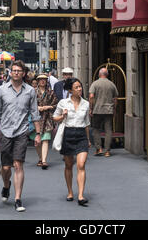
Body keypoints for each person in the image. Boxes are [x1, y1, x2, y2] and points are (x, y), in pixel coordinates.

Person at [0, 60, 41, 212]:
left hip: (21, 132)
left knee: (18, 165)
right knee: (6, 168)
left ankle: (18, 199)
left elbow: (35, 113)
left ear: (24, 73)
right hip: (5, 131)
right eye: (14, 70)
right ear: (10, 72)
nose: (16, 73)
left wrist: (38, 134)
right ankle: (6, 186)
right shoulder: (2, 90)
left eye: (19, 71)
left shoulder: (30, 91)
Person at [53, 78, 91, 206]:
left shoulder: (86, 103)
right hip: (68, 134)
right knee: (69, 165)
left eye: (80, 87)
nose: (79, 89)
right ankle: (70, 192)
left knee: (81, 164)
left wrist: (88, 139)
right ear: (70, 90)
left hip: (81, 135)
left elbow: (86, 123)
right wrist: (63, 116)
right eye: (76, 87)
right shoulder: (63, 103)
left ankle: (80, 195)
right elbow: (55, 118)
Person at [30, 73, 58, 169]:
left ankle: (44, 161)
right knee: (37, 141)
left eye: (44, 79)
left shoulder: (51, 92)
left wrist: (48, 107)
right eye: (41, 79)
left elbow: (55, 104)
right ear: (37, 81)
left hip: (47, 118)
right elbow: (28, 104)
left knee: (45, 139)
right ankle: (41, 158)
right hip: (36, 119)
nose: (42, 81)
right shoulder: (33, 92)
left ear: (47, 81)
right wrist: (37, 108)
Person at [89, 68, 118, 157]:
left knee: (96, 129)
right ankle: (107, 151)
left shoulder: (95, 83)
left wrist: (91, 108)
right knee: (108, 130)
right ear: (107, 75)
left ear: (99, 74)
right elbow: (115, 98)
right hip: (108, 110)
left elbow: (91, 96)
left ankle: (99, 148)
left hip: (97, 110)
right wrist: (114, 109)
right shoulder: (111, 84)